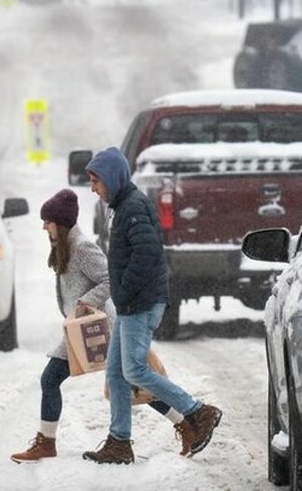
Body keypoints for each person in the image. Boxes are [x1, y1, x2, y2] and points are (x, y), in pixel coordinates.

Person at [10, 189, 196, 463]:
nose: (43, 227)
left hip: (99, 327)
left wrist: (85, 302)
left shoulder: (82, 247)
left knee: (125, 381)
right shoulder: (65, 247)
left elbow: (110, 279)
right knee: (119, 380)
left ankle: (185, 422)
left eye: (47, 222)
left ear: (60, 224)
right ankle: (47, 442)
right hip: (81, 327)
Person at [81, 148, 222, 465]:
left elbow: (146, 255)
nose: (93, 188)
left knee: (134, 370)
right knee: (117, 374)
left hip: (140, 303)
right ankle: (119, 442)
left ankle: (197, 411)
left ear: (112, 178)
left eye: (95, 181)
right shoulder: (123, 205)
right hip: (133, 302)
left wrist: (124, 291)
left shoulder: (132, 208)